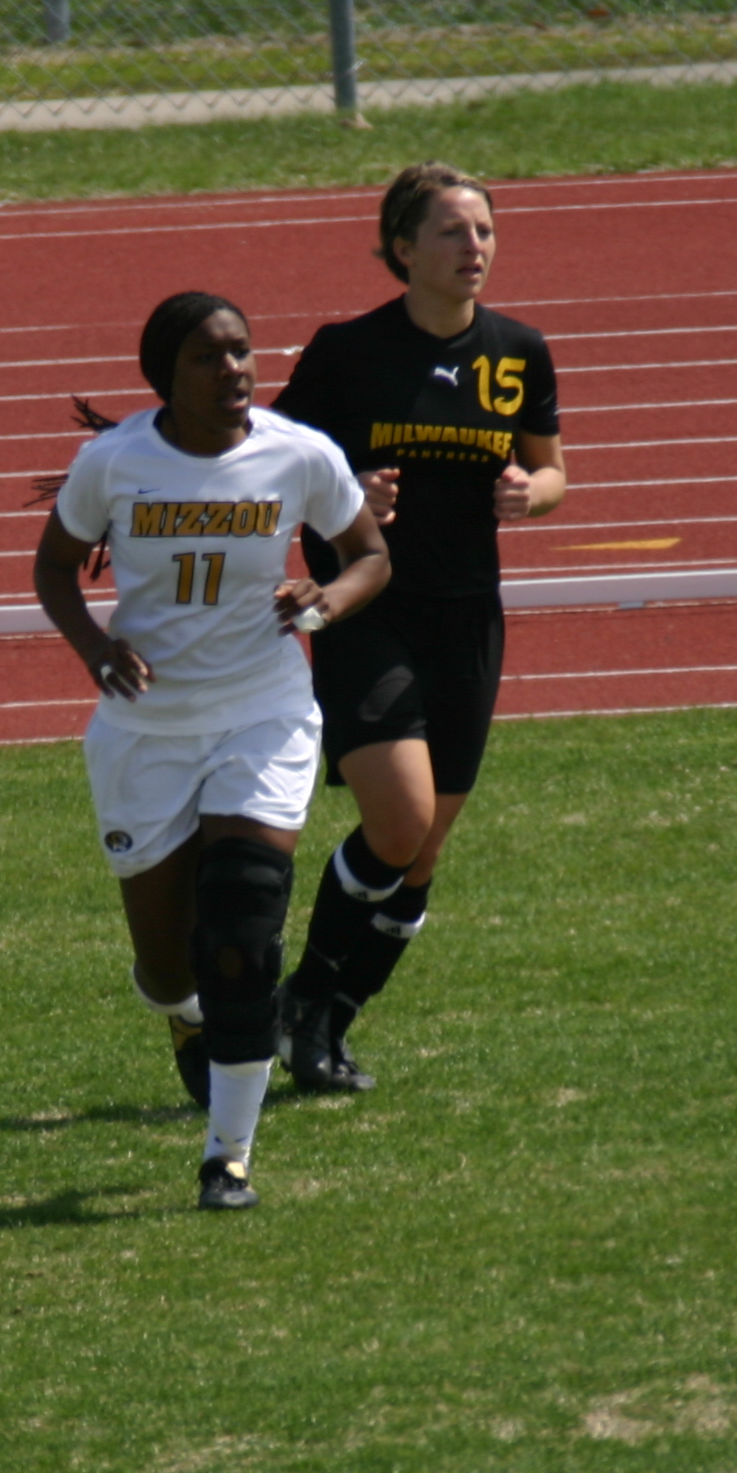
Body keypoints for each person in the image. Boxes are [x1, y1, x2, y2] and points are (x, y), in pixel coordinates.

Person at [32, 294, 391, 1212]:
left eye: (241, 351)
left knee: (243, 925)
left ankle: (227, 1156)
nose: (234, 369)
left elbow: (370, 555)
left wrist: (325, 600)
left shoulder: (298, 452)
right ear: (166, 377)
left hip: (261, 712)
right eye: (208, 357)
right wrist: (95, 647)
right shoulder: (115, 462)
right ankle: (186, 1020)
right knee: (169, 968)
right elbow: (53, 566)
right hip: (146, 729)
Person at [268, 163, 566, 1093]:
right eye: (451, 231)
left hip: (468, 616)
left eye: (484, 231)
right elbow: (270, 473)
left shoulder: (519, 352)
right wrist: (346, 494)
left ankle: (325, 1017)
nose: (474, 247)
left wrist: (529, 493)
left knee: (424, 850)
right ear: (402, 249)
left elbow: (554, 473)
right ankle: (303, 1000)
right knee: (398, 822)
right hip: (367, 608)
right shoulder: (347, 352)